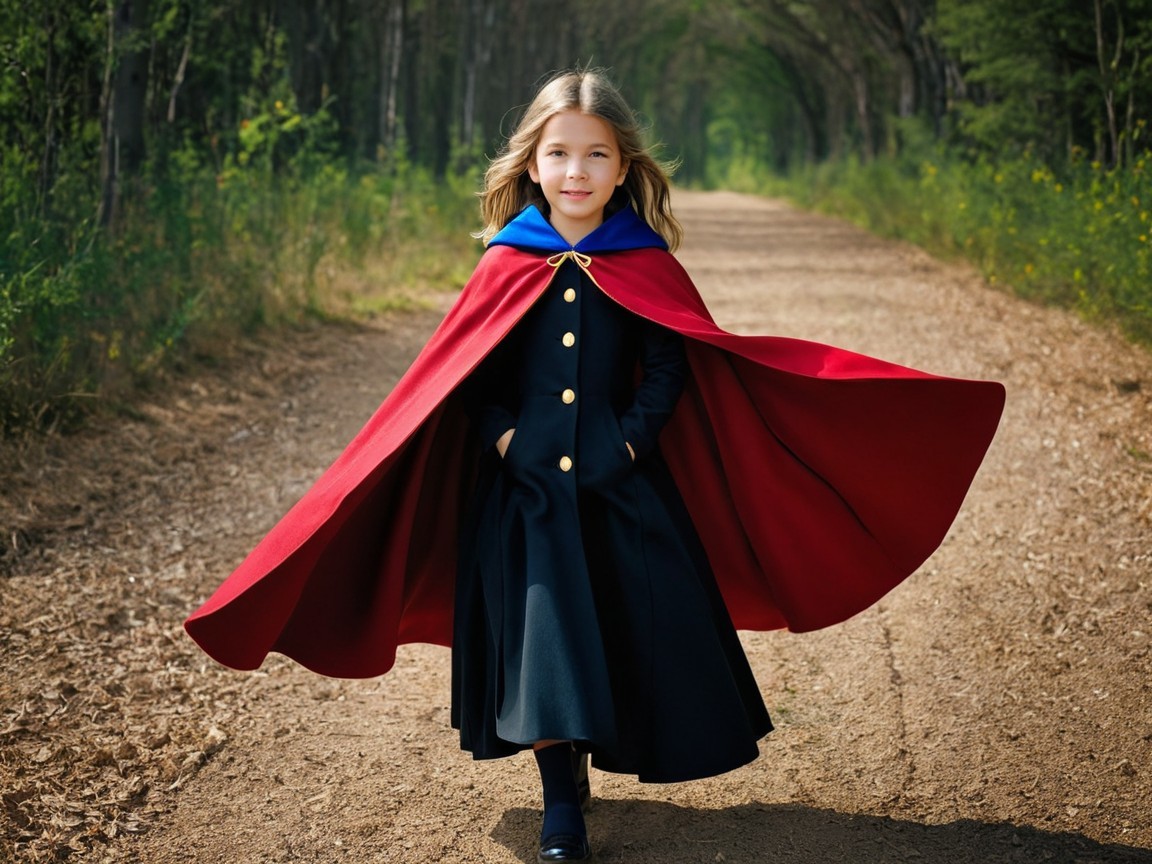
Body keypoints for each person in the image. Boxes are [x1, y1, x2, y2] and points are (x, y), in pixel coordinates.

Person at [185, 69, 1004, 863]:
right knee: (543, 645)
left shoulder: (643, 260)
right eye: (559, 154)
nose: (576, 171)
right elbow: (469, 375)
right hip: (524, 497)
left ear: (625, 168)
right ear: (531, 166)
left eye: (597, 154)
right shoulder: (504, 263)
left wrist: (627, 445)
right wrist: (507, 440)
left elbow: (670, 367)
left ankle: (583, 762)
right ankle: (561, 802)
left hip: (622, 493)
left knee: (611, 632)